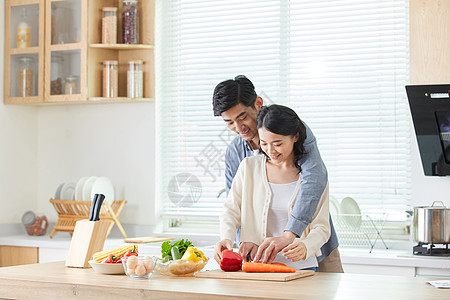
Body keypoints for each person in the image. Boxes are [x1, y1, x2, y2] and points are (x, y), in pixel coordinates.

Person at [212, 75, 343, 272]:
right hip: (261, 262)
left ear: (257, 104)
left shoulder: (295, 131)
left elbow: (314, 184)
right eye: (229, 122)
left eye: (242, 117)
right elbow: (234, 208)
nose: (239, 128)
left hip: (312, 253)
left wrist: (292, 236)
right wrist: (238, 241)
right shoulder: (241, 158)